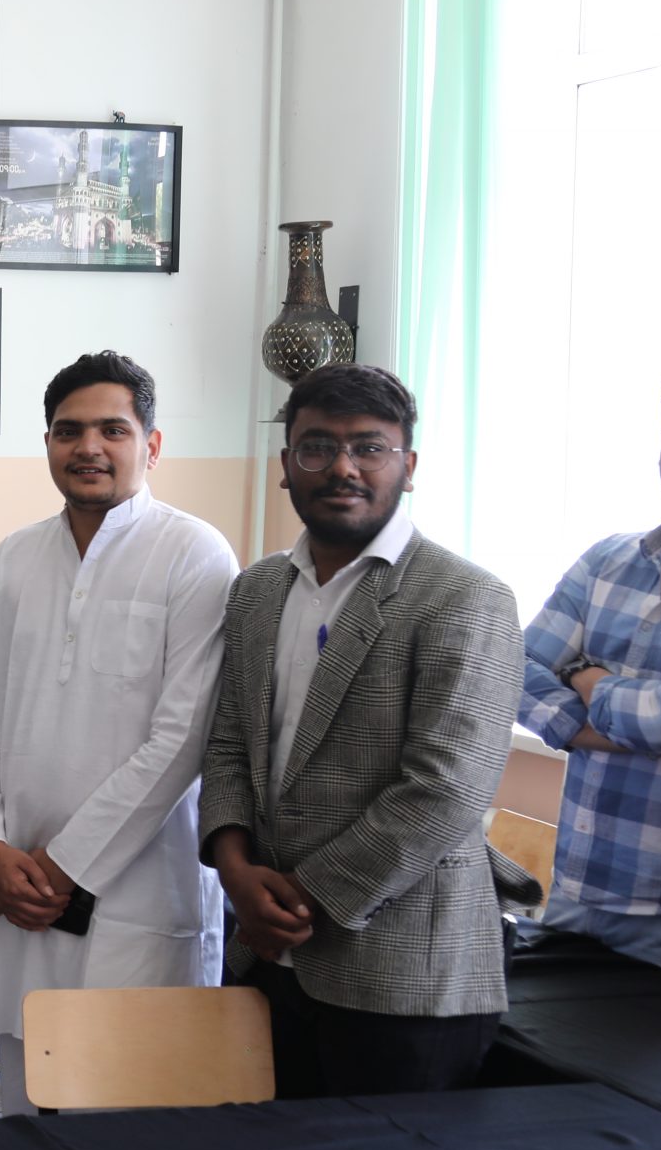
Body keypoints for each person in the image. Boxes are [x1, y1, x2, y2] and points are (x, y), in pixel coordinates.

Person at [199, 365, 526, 1096]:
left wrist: (299, 899)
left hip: (400, 973)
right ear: (286, 464)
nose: (342, 467)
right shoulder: (257, 590)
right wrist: (233, 868)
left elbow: (446, 789)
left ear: (409, 466)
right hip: (264, 960)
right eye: (317, 447)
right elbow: (227, 744)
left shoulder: (465, 597)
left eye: (369, 448)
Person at [0, 354, 237, 1114]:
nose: (89, 447)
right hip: (18, 893)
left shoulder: (195, 553)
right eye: (68, 430)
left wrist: (65, 866)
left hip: (136, 896)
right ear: (47, 442)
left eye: (113, 429)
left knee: (134, 1121)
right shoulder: (14, 558)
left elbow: (183, 738)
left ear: (152, 445)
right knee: (27, 1107)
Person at [520, 360, 661, 993]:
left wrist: (582, 673)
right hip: (576, 894)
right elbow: (508, 670)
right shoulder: (608, 560)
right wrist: (619, 712)